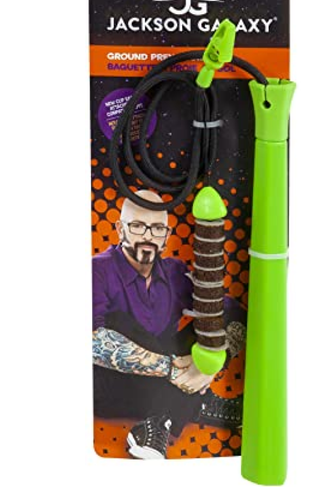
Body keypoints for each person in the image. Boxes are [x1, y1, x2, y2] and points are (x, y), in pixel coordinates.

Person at [92, 190, 246, 459]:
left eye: (157, 228)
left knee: (223, 317)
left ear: (167, 235)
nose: (148, 236)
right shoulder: (96, 270)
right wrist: (172, 368)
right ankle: (200, 403)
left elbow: (232, 312)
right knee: (116, 322)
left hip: (161, 379)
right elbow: (92, 341)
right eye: (137, 226)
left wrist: (206, 370)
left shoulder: (174, 271)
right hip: (110, 385)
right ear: (119, 229)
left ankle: (157, 424)